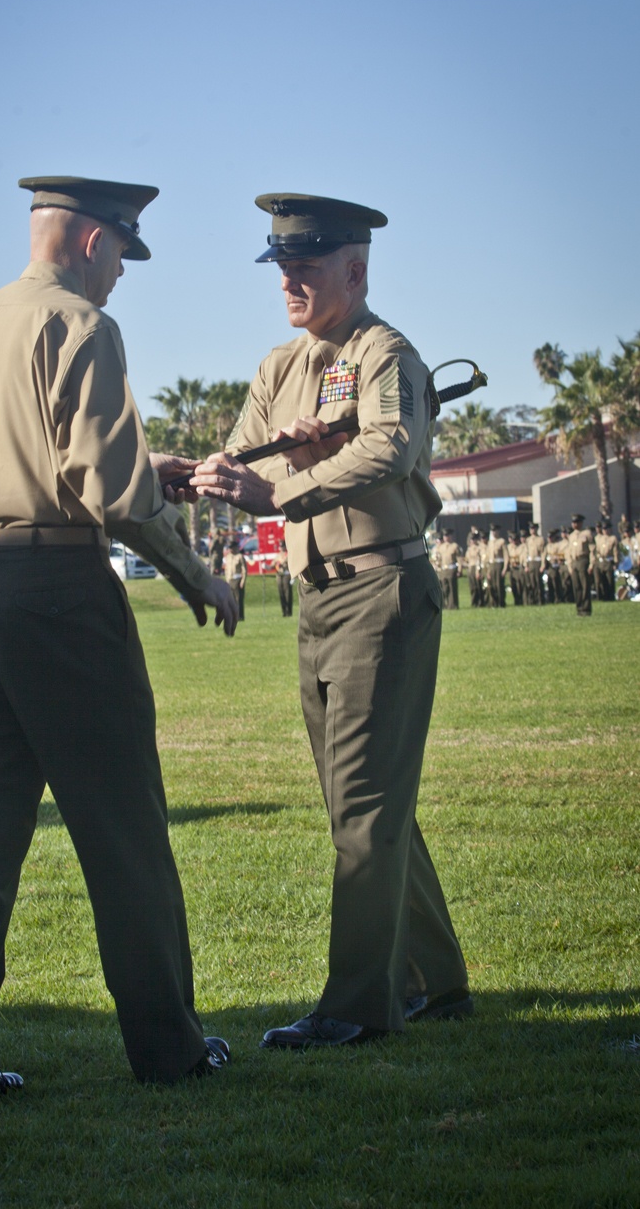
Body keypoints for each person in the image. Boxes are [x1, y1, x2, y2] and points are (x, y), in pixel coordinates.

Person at [0, 175, 237, 1106]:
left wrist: (145, 469)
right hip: (58, 590)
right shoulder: (83, 327)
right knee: (122, 827)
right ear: (96, 244)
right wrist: (197, 575)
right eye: (122, 259)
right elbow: (106, 492)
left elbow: (29, 459)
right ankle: (166, 1045)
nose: (118, 280)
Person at [191, 191, 470, 1048]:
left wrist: (290, 484)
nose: (287, 281)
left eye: (304, 266)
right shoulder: (281, 366)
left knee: (363, 804)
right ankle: (438, 982)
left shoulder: (385, 353)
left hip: (380, 589)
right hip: (317, 598)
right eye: (280, 266)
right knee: (362, 802)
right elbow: (241, 455)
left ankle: (357, 1007)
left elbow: (390, 446)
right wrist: (207, 474)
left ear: (353, 268)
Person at [566, 513, 594, 615]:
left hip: (583, 560)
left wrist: (591, 564)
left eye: (577, 522)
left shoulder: (586, 534)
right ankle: (579, 608)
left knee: (585, 586)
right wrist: (569, 565)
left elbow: (592, 550)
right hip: (574, 562)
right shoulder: (571, 536)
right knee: (576, 586)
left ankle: (586, 609)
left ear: (581, 523)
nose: (575, 524)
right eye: (573, 522)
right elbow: (568, 552)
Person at [432, 528, 461, 610]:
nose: (446, 537)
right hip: (443, 569)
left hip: (452, 568)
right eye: (445, 536)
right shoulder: (441, 547)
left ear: (451, 536)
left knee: (452, 587)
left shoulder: (454, 546)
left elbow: (459, 558)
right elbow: (438, 558)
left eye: (448, 535)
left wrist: (460, 569)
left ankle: (453, 605)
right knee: (444, 588)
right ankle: (446, 604)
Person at [484, 524, 509, 607]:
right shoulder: (490, 542)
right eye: (492, 531)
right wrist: (487, 570)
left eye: (495, 531)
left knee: (499, 585)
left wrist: (505, 568)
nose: (494, 532)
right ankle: (493, 602)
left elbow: (506, 556)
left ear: (498, 531)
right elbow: (487, 557)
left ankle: (501, 602)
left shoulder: (502, 541)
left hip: (499, 564)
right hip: (491, 565)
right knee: (491, 585)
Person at [223, 537, 247, 620]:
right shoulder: (228, 557)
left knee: (238, 599)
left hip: (238, 579)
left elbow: (244, 570)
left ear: (235, 547)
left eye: (231, 548)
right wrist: (227, 580)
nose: (230, 549)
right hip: (230, 580)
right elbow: (226, 569)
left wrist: (243, 581)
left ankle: (240, 616)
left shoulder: (240, 556)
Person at [274, 539, 293, 616]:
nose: (281, 547)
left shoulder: (288, 554)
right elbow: (273, 564)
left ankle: (289, 611)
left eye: (282, 546)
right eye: (280, 546)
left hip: (286, 575)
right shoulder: (278, 555)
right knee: (281, 594)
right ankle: (284, 611)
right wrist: (267, 566)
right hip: (279, 575)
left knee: (287, 594)